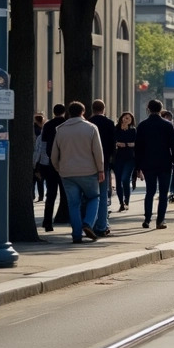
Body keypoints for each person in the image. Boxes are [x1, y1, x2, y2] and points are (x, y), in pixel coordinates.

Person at [50, 101, 106, 243]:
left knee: (73, 204)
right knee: (94, 197)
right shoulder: (91, 128)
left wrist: (59, 168)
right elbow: (98, 152)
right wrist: (101, 169)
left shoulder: (60, 129)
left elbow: (54, 155)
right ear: (83, 112)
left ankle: (76, 234)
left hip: (67, 172)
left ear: (69, 112)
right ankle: (88, 223)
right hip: (89, 171)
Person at [135, 99, 174, 229]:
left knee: (150, 191)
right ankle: (160, 220)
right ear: (161, 109)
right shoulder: (167, 125)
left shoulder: (142, 125)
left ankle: (147, 219)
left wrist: (138, 166)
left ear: (148, 108)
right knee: (163, 193)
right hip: (165, 163)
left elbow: (138, 148)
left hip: (148, 163)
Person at [88, 99, 117, 237]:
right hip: (103, 164)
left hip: (87, 164)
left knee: (89, 196)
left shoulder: (87, 123)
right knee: (103, 195)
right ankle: (102, 225)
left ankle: (90, 223)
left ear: (92, 109)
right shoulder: (110, 123)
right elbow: (112, 145)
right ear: (103, 109)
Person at [39, 105, 67, 233]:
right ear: (64, 112)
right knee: (66, 193)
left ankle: (47, 222)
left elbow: (43, 145)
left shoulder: (48, 125)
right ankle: (68, 218)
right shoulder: (66, 124)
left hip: (50, 164)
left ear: (53, 112)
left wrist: (43, 164)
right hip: (65, 163)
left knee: (51, 194)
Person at [112, 111, 137, 212]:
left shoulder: (133, 130)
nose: (127, 119)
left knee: (125, 179)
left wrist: (126, 144)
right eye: (125, 117)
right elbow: (113, 141)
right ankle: (121, 203)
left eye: (129, 118)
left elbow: (134, 143)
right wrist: (118, 143)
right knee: (118, 181)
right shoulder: (116, 129)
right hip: (118, 158)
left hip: (130, 158)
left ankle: (127, 201)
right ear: (122, 118)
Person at [32, 113, 46, 202]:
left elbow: (37, 149)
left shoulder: (35, 130)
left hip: (37, 159)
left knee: (34, 179)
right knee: (40, 179)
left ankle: (33, 195)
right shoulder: (42, 130)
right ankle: (40, 196)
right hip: (42, 160)